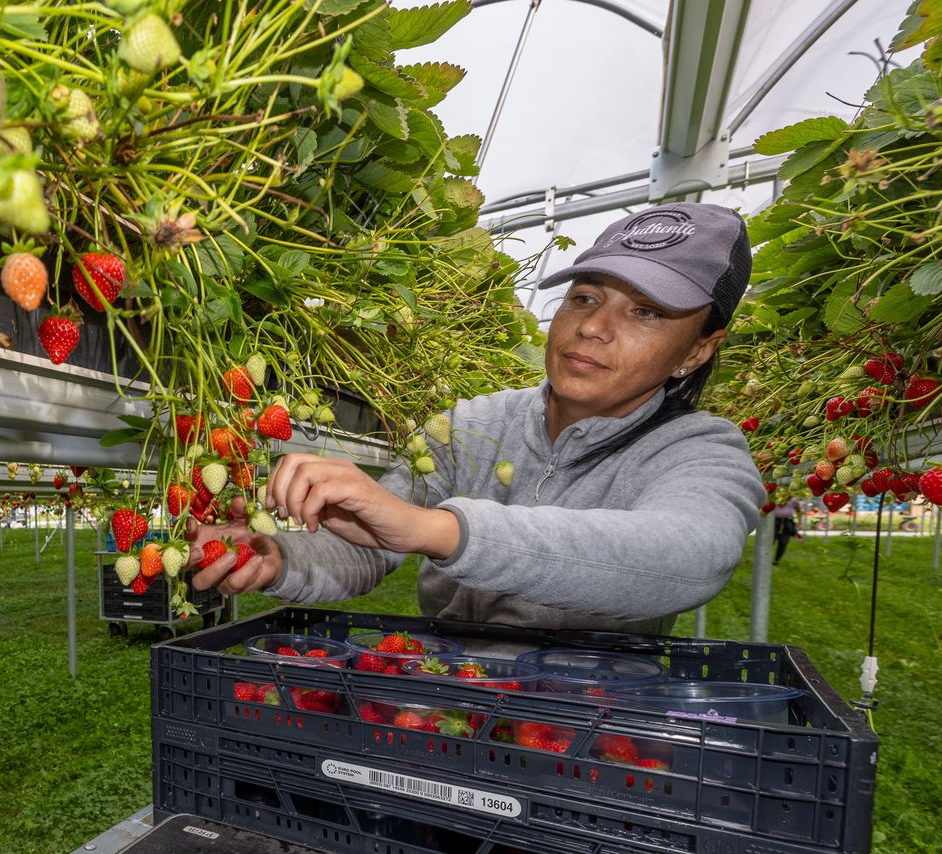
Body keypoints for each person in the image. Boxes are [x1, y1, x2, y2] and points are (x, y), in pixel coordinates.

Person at [188, 202, 765, 634]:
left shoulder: (700, 449)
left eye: (646, 312)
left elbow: (692, 556)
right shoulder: (472, 426)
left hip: (590, 725)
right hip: (447, 700)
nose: (593, 328)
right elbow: (369, 547)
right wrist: (277, 559)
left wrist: (438, 530)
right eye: (585, 297)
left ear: (698, 351)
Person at [773, 497, 802, 564]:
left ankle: (776, 560)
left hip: (787, 523)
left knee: (783, 542)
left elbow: (798, 510)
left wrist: (799, 523)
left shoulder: (794, 500)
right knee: (770, 540)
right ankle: (765, 558)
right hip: (774, 522)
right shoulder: (774, 497)